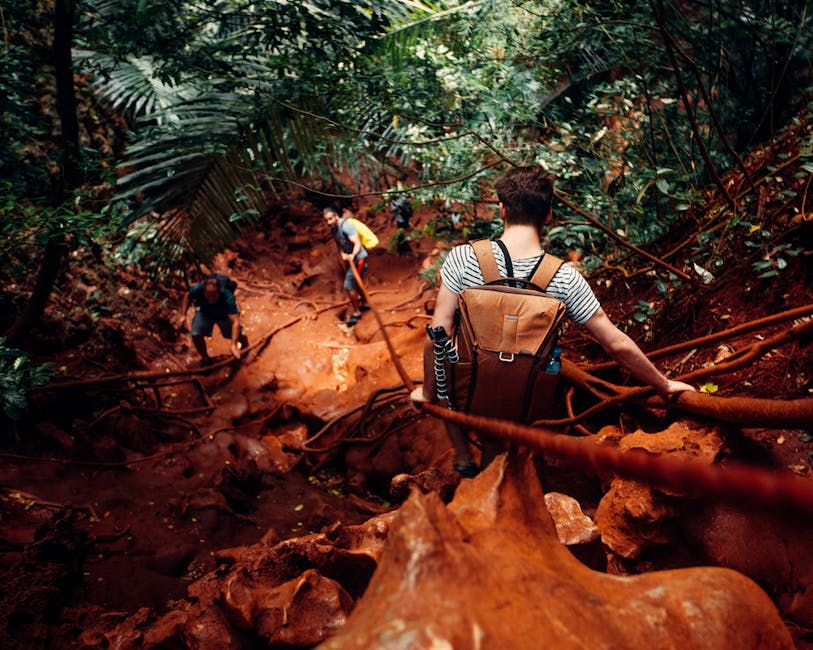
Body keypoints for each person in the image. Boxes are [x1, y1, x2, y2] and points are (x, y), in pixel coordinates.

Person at [411, 165, 695, 476]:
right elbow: (615, 343)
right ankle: (499, 473)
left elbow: (436, 335)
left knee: (448, 378)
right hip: (527, 403)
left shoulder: (463, 259)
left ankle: (467, 464)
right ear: (548, 215)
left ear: (502, 210)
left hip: (468, 393)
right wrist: (663, 384)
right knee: (514, 409)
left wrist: (428, 394)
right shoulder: (564, 278)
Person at [180, 274, 248, 366]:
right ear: (204, 292)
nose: (211, 298)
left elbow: (235, 322)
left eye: (214, 295)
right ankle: (205, 358)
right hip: (205, 312)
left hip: (223, 314)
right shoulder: (198, 289)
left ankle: (244, 342)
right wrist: (183, 315)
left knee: (231, 334)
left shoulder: (227, 297)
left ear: (219, 292)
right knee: (196, 333)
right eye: (208, 295)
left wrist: (233, 344)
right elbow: (188, 296)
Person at [323, 207, 370, 327]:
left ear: (336, 216)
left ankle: (356, 313)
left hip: (358, 258)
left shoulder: (346, 226)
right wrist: (343, 254)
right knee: (355, 281)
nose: (329, 222)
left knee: (349, 285)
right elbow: (340, 244)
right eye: (326, 220)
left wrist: (352, 255)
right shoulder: (334, 229)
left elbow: (357, 243)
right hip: (350, 259)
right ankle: (365, 303)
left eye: (330, 219)